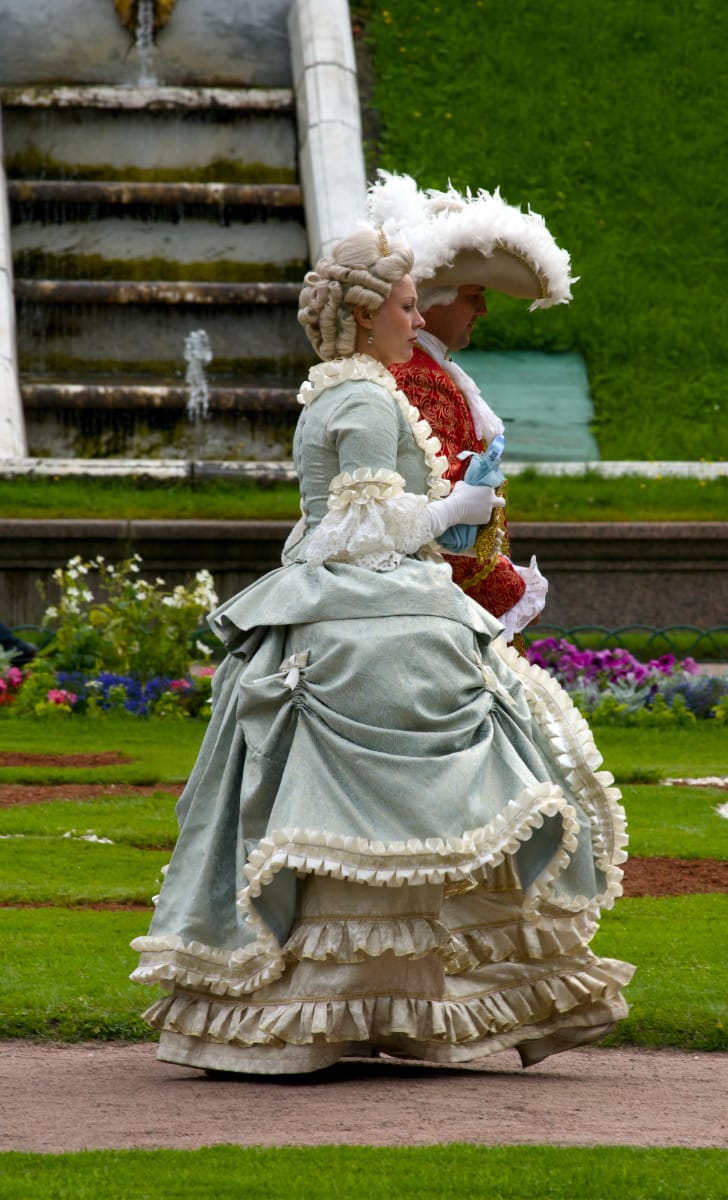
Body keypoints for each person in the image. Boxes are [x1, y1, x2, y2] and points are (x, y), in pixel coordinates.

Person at [130, 227, 633, 1076]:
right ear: (367, 318)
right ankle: (353, 1004)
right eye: (405, 305)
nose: (417, 316)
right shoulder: (363, 401)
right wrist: (452, 510)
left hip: (361, 607)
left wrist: (449, 510)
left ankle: (370, 1002)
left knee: (415, 803)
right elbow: (360, 528)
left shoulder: (344, 387)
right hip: (370, 612)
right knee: (422, 805)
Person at [368, 172, 573, 647]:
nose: (482, 311)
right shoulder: (421, 378)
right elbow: (442, 508)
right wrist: (508, 591)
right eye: (473, 296)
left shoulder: (428, 369)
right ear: (435, 302)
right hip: (448, 605)